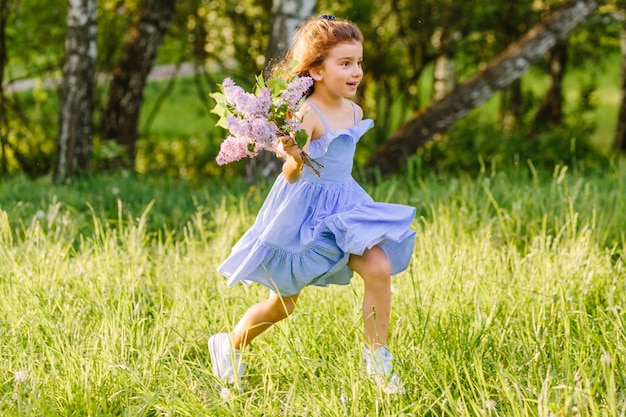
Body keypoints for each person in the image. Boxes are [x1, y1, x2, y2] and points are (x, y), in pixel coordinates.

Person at [209, 15, 416, 393]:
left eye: (359, 62)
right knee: (283, 304)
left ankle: (378, 357)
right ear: (317, 71)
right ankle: (230, 342)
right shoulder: (307, 115)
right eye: (345, 63)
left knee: (378, 267)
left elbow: (338, 168)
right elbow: (291, 175)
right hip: (304, 212)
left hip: (345, 204)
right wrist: (293, 154)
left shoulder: (353, 111)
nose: (357, 72)